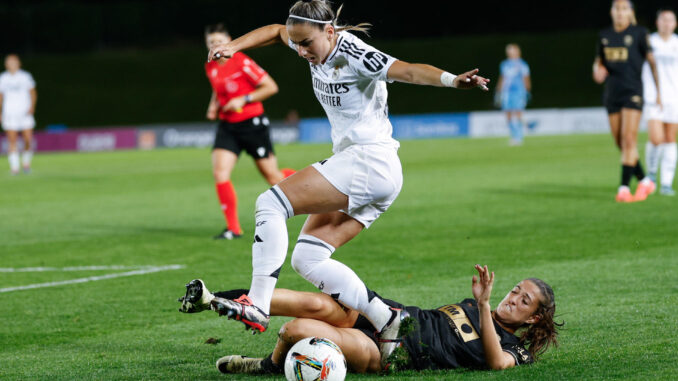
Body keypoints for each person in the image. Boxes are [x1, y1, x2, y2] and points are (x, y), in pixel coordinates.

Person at [205, 0, 490, 366]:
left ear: (329, 31)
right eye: (298, 43)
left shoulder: (355, 53)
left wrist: (452, 80)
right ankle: (387, 319)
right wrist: (234, 46)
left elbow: (407, 71)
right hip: (373, 171)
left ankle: (258, 304)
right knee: (308, 256)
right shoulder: (304, 40)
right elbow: (277, 32)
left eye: (307, 42)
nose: (302, 51)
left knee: (270, 203)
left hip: (368, 162)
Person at [177, 264, 561, 374]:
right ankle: (218, 299)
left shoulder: (514, 348)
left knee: (295, 331)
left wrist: (483, 306)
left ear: (533, 318)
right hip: (391, 316)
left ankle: (266, 366)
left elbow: (496, 364)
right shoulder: (478, 306)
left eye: (523, 300)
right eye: (515, 291)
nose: (512, 299)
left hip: (392, 353)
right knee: (322, 305)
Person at [204, 23, 295, 240]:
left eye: (218, 41)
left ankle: (312, 183)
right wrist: (214, 105)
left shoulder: (242, 61)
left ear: (228, 41)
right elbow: (218, 89)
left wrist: (242, 99)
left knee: (273, 176)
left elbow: (270, 87)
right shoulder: (210, 65)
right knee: (220, 173)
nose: (214, 45)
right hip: (228, 126)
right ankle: (233, 228)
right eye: (210, 42)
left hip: (252, 124)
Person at [593, 0, 660, 203]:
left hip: (633, 92)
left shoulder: (640, 33)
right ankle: (645, 180)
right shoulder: (604, 36)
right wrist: (597, 72)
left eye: (624, 9)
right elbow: (598, 63)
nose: (620, 13)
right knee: (620, 143)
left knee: (629, 139)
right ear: (611, 12)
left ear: (630, 12)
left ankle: (623, 188)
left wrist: (658, 91)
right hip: (612, 94)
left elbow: (652, 62)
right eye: (616, 9)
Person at [643, 9, 678, 196]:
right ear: (657, 22)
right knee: (656, 139)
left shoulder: (677, 44)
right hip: (653, 98)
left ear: (675, 23)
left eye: (670, 20)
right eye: (663, 19)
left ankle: (666, 183)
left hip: (674, 99)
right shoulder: (650, 42)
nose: (666, 23)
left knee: (670, 140)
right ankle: (651, 173)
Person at [0, 54, 37, 175]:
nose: (11, 64)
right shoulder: (3, 78)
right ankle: (15, 167)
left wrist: (32, 106)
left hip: (24, 112)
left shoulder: (25, 76)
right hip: (9, 113)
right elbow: (1, 97)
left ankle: (26, 164)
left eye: (13, 61)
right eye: (9, 62)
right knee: (12, 140)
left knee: (28, 140)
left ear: (18, 63)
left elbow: (33, 93)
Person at [496, 44, 531, 146]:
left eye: (512, 50)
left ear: (517, 51)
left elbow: (526, 78)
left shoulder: (522, 64)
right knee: (508, 114)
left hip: (518, 92)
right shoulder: (504, 64)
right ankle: (513, 135)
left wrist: (527, 91)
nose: (510, 52)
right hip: (507, 93)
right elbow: (502, 78)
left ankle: (519, 136)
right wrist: (499, 91)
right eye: (509, 50)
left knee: (518, 113)